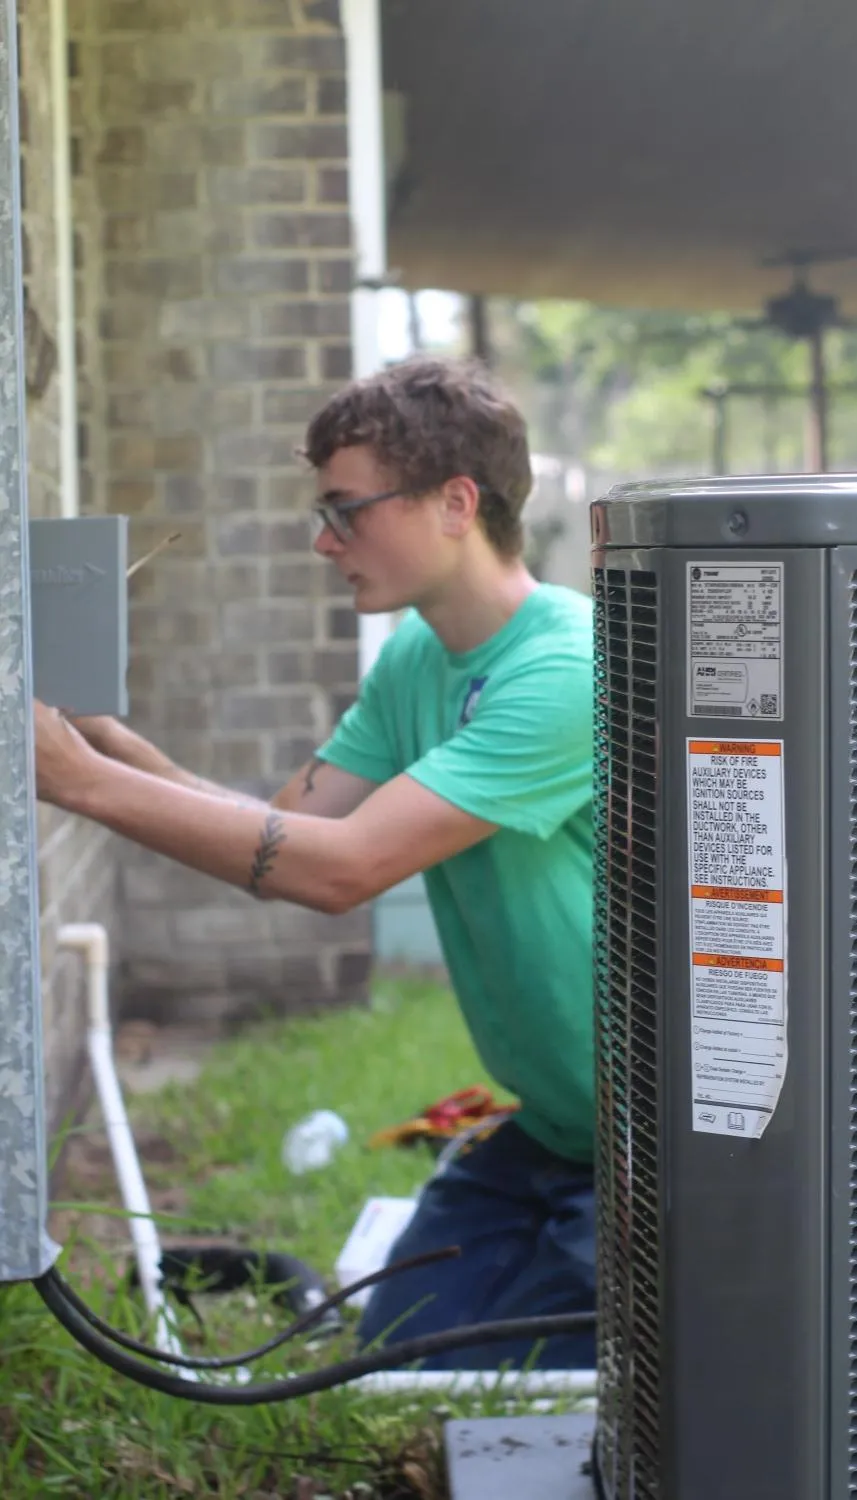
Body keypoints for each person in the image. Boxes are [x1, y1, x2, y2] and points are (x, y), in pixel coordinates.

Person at [33, 356, 595, 1370]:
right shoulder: (417, 659)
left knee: (509, 1382)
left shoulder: (562, 671)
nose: (321, 539)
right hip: (556, 1130)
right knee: (393, 1347)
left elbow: (338, 874)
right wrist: (105, 745)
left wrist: (74, 781)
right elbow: (287, 826)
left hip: (661, 1156)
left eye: (348, 509)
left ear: (455, 503)